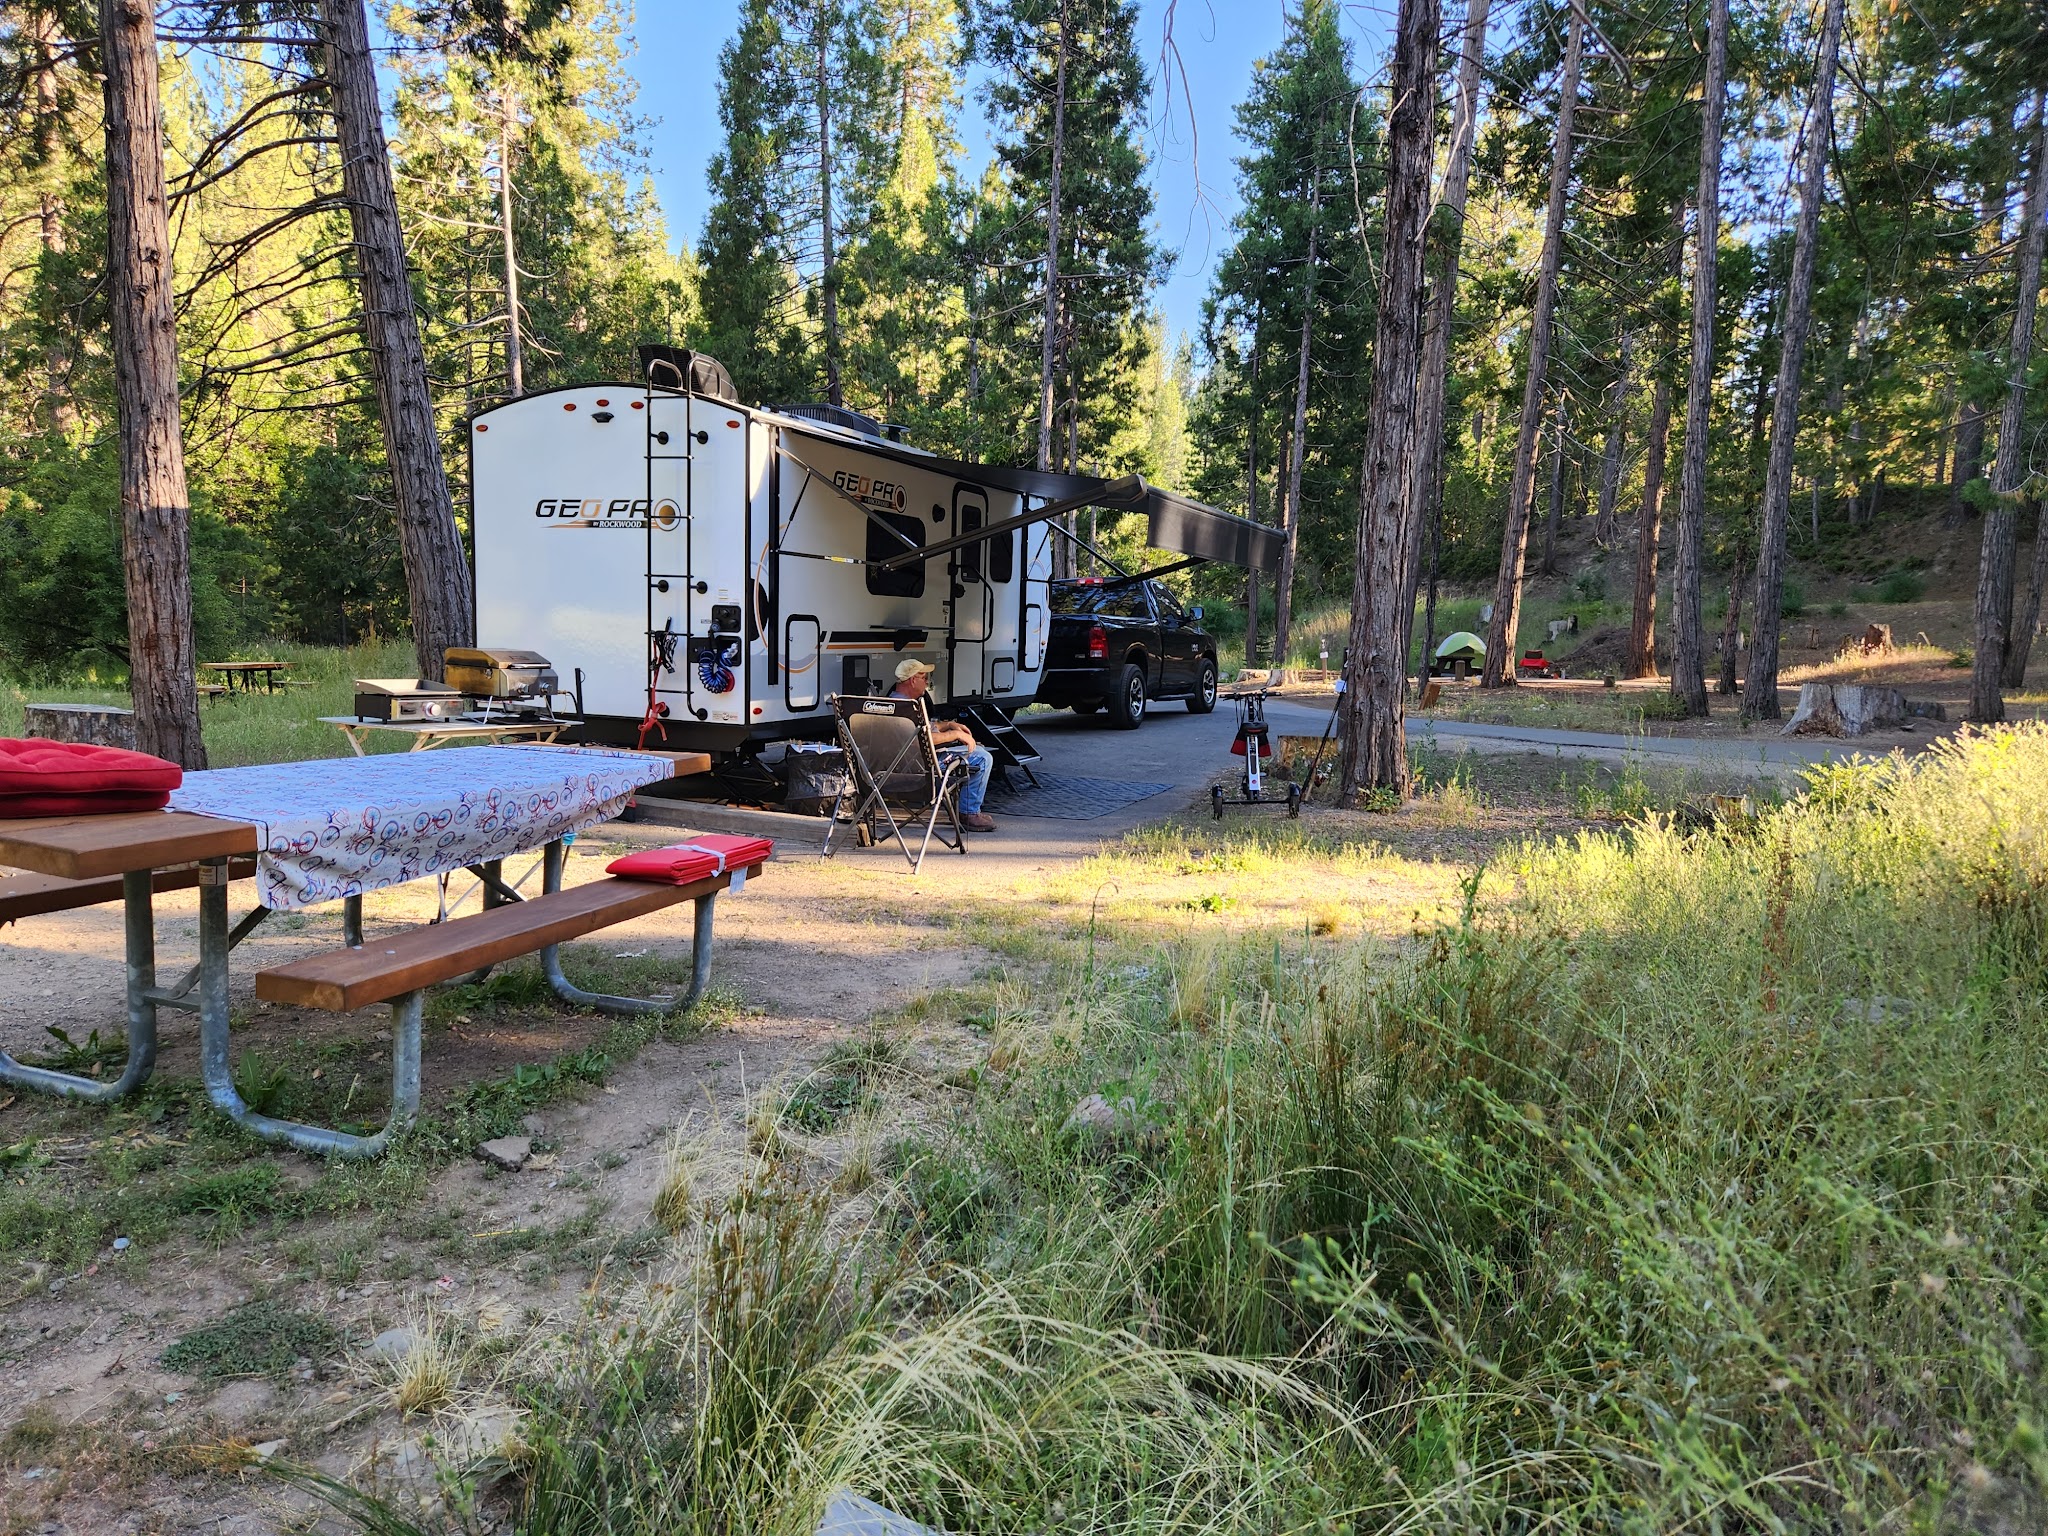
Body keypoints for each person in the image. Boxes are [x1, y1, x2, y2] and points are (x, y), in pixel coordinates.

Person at [889, 658, 997, 833]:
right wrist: (955, 734)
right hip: (921, 768)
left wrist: (947, 725)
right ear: (913, 680)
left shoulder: (894, 702)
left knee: (978, 749)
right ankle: (968, 813)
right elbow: (920, 739)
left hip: (898, 767)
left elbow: (923, 728)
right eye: (924, 678)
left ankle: (967, 809)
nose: (927, 683)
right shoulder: (906, 708)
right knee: (983, 758)